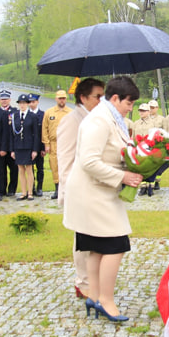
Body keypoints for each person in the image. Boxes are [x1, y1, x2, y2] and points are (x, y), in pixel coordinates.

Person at [63, 75, 143, 323]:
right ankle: (106, 301)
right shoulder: (98, 120)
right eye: (129, 103)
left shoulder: (112, 117)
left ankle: (95, 297)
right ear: (115, 98)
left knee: (98, 249)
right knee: (116, 246)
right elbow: (88, 162)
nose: (131, 109)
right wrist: (123, 176)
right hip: (92, 193)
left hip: (101, 192)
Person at [57, 78, 105, 299]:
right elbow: (65, 160)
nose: (101, 100)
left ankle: (94, 280)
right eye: (97, 96)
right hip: (78, 189)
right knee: (83, 238)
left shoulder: (97, 119)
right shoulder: (72, 120)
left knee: (97, 237)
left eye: (104, 96)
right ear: (83, 97)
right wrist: (66, 191)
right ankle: (83, 282)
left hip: (97, 188)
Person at [42, 90, 73, 200]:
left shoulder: (70, 112)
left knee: (67, 166)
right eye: (60, 98)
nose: (62, 100)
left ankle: (67, 189)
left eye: (63, 98)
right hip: (54, 143)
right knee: (55, 166)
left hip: (66, 143)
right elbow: (44, 129)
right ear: (56, 99)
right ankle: (57, 189)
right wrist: (46, 144)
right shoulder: (49, 112)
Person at [10, 94, 41, 200]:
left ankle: (30, 192)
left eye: (24, 103)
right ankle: (23, 192)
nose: (22, 105)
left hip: (28, 146)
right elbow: (12, 134)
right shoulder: (15, 116)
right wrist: (12, 150)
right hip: (18, 146)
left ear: (27, 104)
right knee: (20, 170)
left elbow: (36, 134)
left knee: (29, 169)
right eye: (20, 103)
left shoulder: (33, 116)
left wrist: (35, 150)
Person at [0, 90, 18, 196]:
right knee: (1, 171)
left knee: (14, 170)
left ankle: (12, 189)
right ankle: (2, 189)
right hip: (0, 146)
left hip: (12, 146)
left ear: (9, 100)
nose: (4, 101)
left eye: (6, 99)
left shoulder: (15, 112)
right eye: (2, 99)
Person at [28, 94, 46, 196]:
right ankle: (32, 187)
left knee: (40, 168)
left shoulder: (42, 114)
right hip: (29, 146)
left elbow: (44, 132)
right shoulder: (26, 114)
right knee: (30, 168)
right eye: (30, 102)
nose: (31, 104)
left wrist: (43, 147)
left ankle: (40, 187)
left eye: (33, 102)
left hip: (39, 146)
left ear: (37, 102)